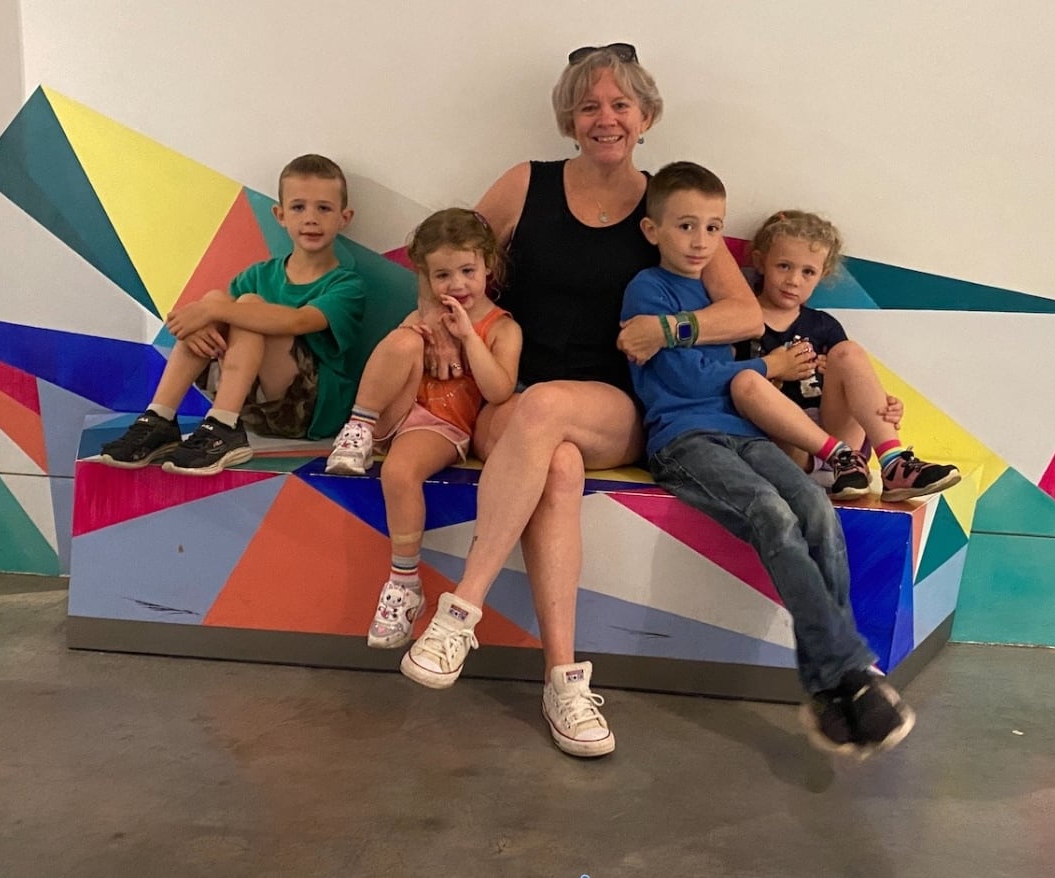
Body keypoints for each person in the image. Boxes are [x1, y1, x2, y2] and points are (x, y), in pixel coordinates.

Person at [398, 44, 763, 759]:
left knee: (551, 421)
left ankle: (459, 611)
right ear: (569, 118)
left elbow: (745, 313)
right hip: (514, 392)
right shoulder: (523, 184)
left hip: (614, 405)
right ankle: (565, 681)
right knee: (555, 464)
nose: (605, 118)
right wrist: (438, 324)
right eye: (590, 105)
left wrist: (667, 328)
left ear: (646, 116)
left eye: (620, 104)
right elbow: (439, 257)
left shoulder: (666, 205)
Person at [622, 160, 915, 758]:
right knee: (770, 514)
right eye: (685, 226)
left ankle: (828, 693)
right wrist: (766, 368)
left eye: (712, 227)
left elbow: (725, 362)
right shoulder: (647, 290)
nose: (700, 241)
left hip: (745, 434)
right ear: (654, 231)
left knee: (814, 508)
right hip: (684, 440)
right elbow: (685, 384)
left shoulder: (720, 294)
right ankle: (853, 671)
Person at [324, 208, 521, 650]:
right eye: (442, 275)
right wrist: (417, 326)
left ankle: (403, 582)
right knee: (404, 339)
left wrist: (470, 337)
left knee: (398, 473)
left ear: (488, 264)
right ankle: (358, 428)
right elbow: (394, 361)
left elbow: (500, 389)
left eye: (467, 271)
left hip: (442, 425)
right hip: (396, 407)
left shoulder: (502, 328)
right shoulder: (423, 315)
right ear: (425, 278)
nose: (456, 285)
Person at [96, 154, 365, 476]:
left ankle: (223, 425)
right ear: (279, 215)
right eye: (298, 207)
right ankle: (160, 417)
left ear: (344, 217)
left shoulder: (347, 284)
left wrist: (213, 309)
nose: (310, 218)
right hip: (250, 402)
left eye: (324, 208)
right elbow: (224, 319)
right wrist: (202, 323)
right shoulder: (257, 275)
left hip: (308, 412)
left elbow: (299, 321)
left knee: (240, 304)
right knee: (227, 302)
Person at [732, 210, 960, 502]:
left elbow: (851, 381)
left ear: (822, 275)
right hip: (786, 449)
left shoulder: (823, 325)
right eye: (784, 266)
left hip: (844, 457)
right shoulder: (740, 320)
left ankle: (892, 461)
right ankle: (838, 455)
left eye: (808, 272)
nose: (793, 280)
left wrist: (883, 404)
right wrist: (776, 368)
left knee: (849, 352)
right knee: (747, 382)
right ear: (760, 262)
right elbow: (726, 386)